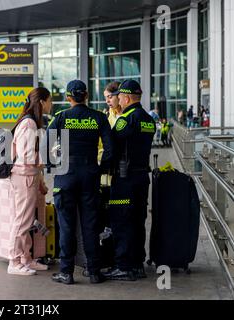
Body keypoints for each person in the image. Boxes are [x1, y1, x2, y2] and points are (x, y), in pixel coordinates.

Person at [47, 80, 113, 284]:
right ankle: (94, 271)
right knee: (90, 226)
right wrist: (99, 169)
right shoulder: (99, 118)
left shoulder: (60, 117)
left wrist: (56, 167)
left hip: (65, 175)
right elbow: (110, 150)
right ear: (86, 96)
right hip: (90, 175)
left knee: (66, 226)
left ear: (68, 97)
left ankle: (66, 272)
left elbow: (45, 148)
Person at [103, 80, 155, 281]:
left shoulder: (126, 119)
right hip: (142, 178)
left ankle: (123, 266)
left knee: (121, 220)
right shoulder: (149, 120)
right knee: (137, 220)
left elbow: (112, 148)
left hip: (124, 180)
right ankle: (137, 264)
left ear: (125, 98)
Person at [7, 87, 52, 276]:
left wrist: (39, 179)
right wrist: (47, 158)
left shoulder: (29, 122)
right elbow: (26, 155)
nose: (52, 104)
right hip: (24, 176)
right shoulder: (29, 124)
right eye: (50, 100)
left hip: (27, 176)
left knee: (26, 220)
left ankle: (26, 258)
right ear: (41, 102)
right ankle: (14, 261)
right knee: (22, 221)